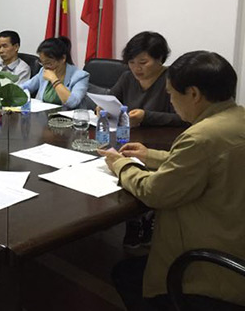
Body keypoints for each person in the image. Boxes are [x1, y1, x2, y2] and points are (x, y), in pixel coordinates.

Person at [99, 51, 245, 310]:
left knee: (125, 275)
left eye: (171, 95)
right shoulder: (237, 118)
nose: (171, 101)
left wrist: (121, 165)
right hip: (235, 236)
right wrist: (150, 155)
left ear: (194, 94)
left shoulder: (201, 136)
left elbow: (154, 192)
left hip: (209, 266)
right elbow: (204, 162)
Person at [110, 31, 185, 127]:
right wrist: (102, 108)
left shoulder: (174, 79)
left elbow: (184, 118)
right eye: (131, 62)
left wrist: (146, 117)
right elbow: (109, 101)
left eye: (143, 62)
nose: (136, 68)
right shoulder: (127, 77)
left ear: (159, 58)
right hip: (129, 133)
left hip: (162, 135)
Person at [20, 37, 89, 109]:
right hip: (43, 113)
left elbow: (72, 103)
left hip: (67, 115)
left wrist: (54, 79)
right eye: (42, 63)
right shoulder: (43, 70)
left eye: (48, 63)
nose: (45, 67)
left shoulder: (80, 76)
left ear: (63, 58)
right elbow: (26, 86)